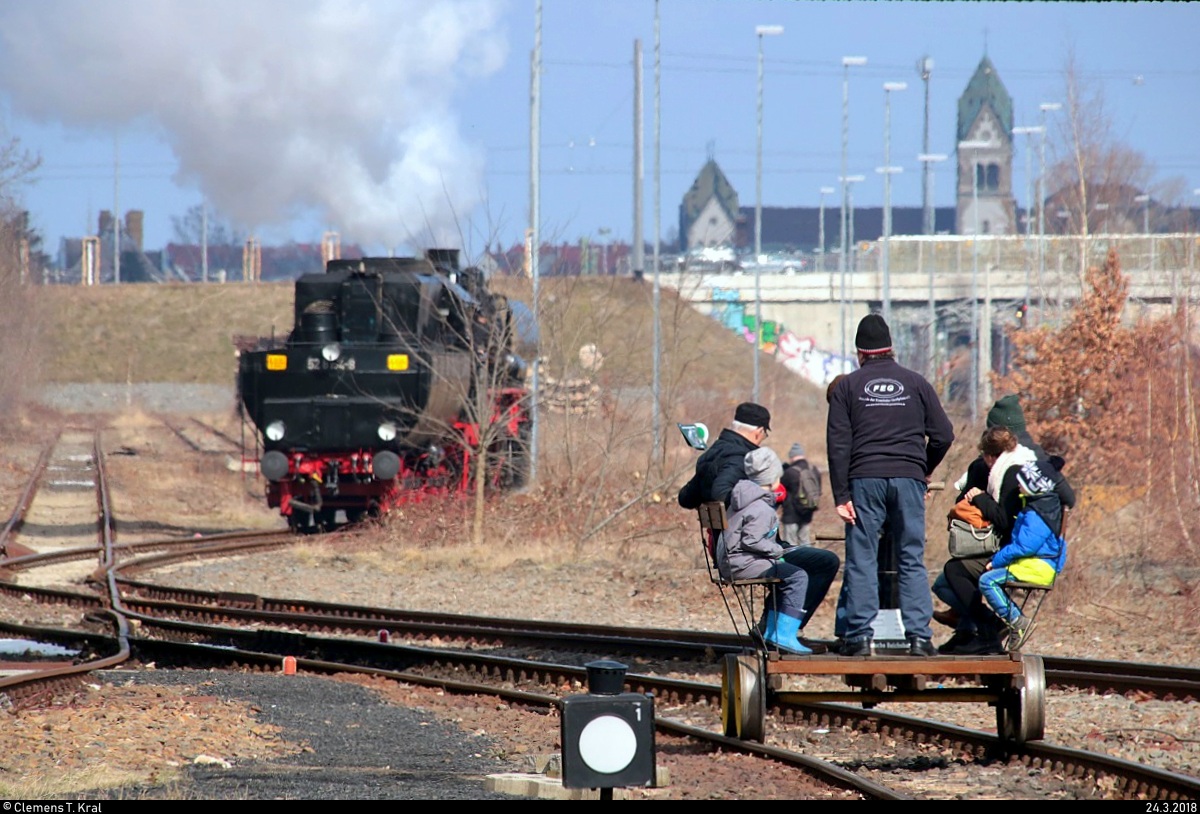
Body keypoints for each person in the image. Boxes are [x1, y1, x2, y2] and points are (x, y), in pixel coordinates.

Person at [826, 314, 955, 657]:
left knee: (862, 558)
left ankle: (860, 637)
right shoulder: (916, 383)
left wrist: (841, 495)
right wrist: (921, 470)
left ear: (860, 352)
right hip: (908, 479)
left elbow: (838, 444)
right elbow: (944, 434)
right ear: (891, 349)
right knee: (911, 556)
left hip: (864, 479)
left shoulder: (847, 387)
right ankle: (918, 638)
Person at [941, 425, 1075, 654]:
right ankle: (981, 629)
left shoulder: (1014, 474)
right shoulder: (1024, 468)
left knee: (957, 573)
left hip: (1024, 557)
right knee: (946, 580)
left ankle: (993, 628)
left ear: (991, 455)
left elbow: (1009, 525)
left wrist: (981, 499)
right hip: (1018, 551)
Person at [716, 447, 840, 655]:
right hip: (743, 562)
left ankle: (772, 630)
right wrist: (776, 550)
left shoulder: (743, 497)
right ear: (774, 478)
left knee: (788, 570)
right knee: (797, 576)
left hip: (735, 560)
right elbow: (752, 540)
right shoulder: (762, 508)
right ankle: (783, 635)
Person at [977, 458, 1070, 650]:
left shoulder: (1037, 514)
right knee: (990, 580)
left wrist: (996, 561)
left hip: (1036, 566)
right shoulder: (1043, 506)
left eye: (1022, 482)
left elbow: (1024, 547)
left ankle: (1018, 622)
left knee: (987, 581)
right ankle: (1016, 623)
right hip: (1035, 564)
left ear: (1034, 486)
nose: (1017, 484)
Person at [678, 402, 772, 510]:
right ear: (759, 431)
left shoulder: (713, 452)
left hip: (716, 526)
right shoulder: (741, 458)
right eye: (764, 435)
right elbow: (721, 492)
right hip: (739, 526)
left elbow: (686, 498)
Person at [779, 443, 820, 547]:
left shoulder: (790, 472)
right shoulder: (813, 470)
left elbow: (780, 488)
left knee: (790, 543)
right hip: (808, 511)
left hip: (791, 514)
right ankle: (808, 562)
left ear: (792, 456)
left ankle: (793, 563)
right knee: (805, 541)